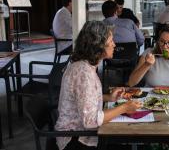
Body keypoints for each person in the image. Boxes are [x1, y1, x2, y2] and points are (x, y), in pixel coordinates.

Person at [55, 21, 142, 150]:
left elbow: (84, 99)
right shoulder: (83, 73)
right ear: (98, 46)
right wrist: (124, 108)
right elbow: (90, 121)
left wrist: (109, 98)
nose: (114, 44)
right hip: (76, 139)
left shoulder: (84, 66)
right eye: (111, 41)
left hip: (81, 133)